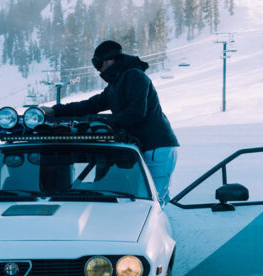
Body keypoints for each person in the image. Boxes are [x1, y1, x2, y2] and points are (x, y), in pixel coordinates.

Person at [42, 40, 179, 205]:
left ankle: (160, 220)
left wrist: (106, 122)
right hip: (145, 146)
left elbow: (136, 113)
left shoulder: (135, 76)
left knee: (155, 200)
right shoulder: (116, 83)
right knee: (148, 196)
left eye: (97, 62)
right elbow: (91, 105)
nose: (97, 68)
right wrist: (56, 111)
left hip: (157, 146)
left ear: (109, 60)